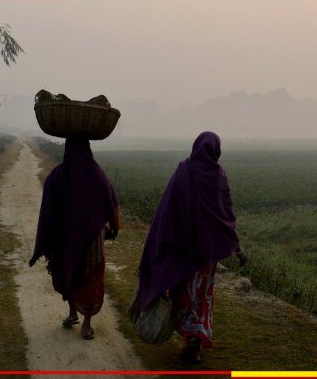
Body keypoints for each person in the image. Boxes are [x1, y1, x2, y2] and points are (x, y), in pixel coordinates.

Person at [135, 131, 247, 363]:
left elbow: (168, 209)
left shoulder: (183, 170)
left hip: (183, 253)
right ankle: (194, 343)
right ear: (216, 150)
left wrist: (160, 243)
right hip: (207, 256)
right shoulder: (219, 176)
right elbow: (225, 216)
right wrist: (237, 248)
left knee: (183, 294)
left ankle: (191, 342)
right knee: (202, 296)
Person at [29, 138, 120, 340]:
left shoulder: (58, 175)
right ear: (88, 150)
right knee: (87, 277)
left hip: (71, 240)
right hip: (86, 242)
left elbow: (47, 212)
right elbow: (113, 206)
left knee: (70, 273)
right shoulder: (96, 175)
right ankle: (83, 321)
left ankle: (78, 316)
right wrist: (115, 228)